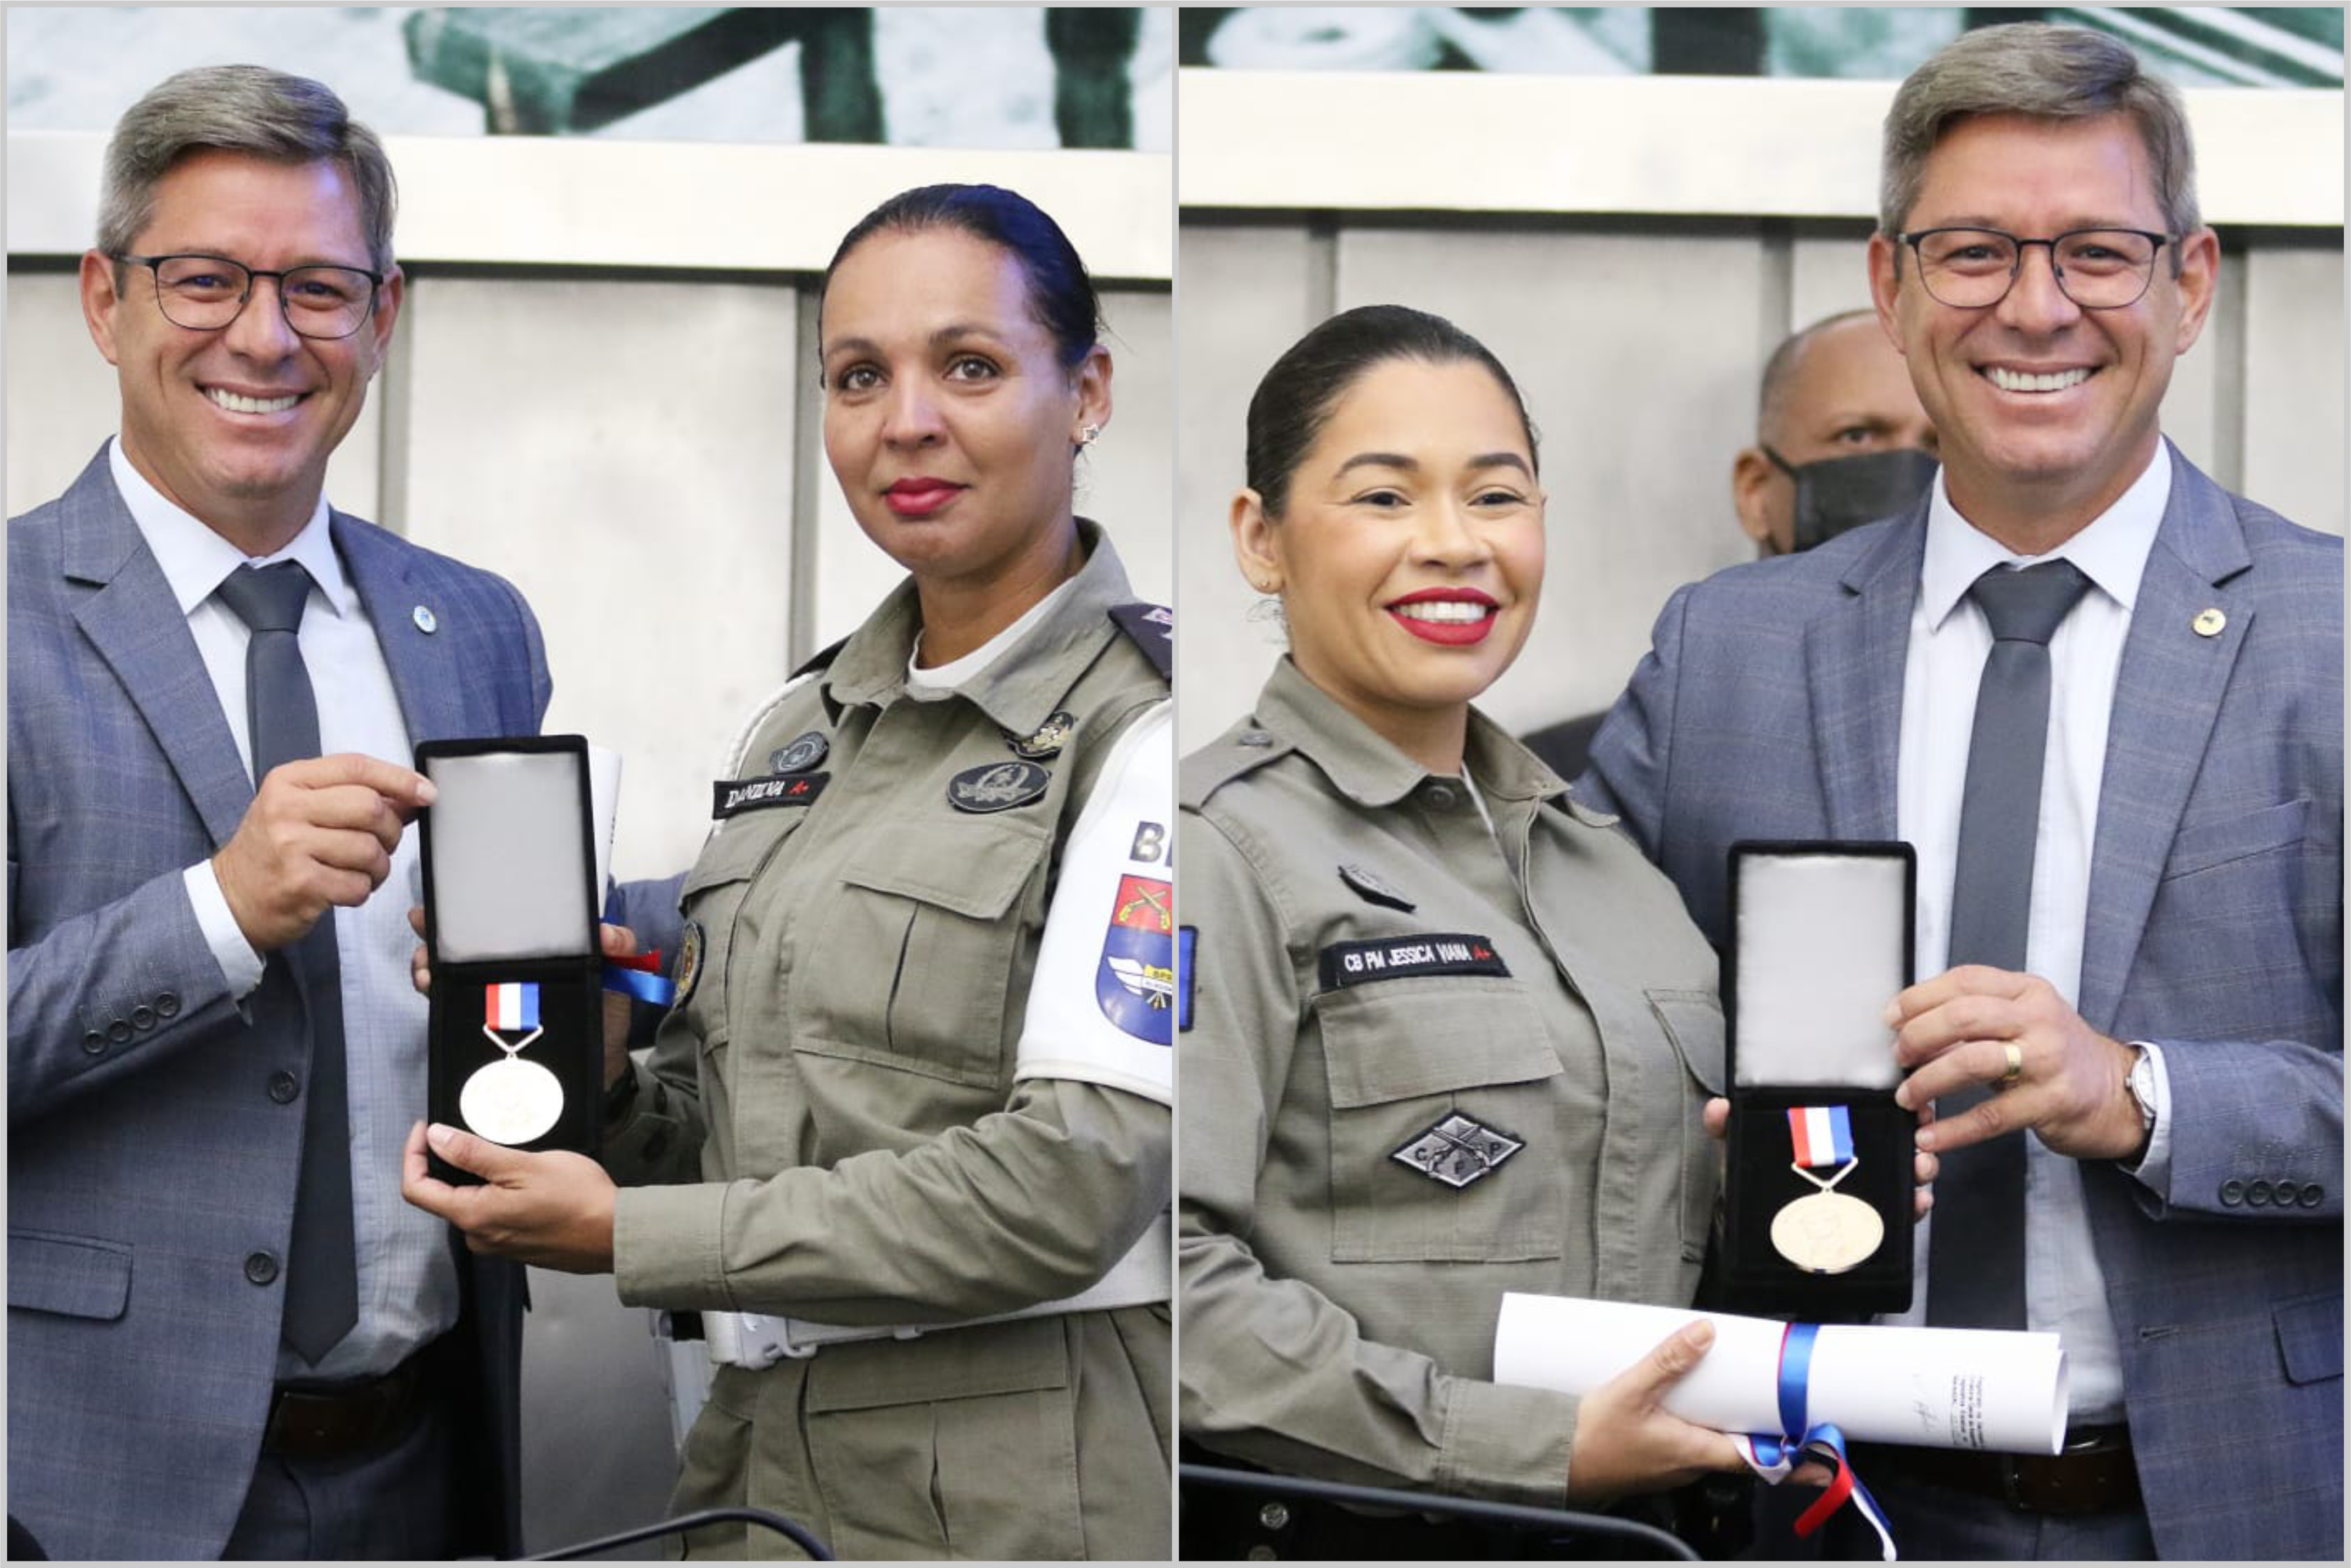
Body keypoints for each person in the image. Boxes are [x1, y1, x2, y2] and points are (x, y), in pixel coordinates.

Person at [1579, 23, 2340, 1561]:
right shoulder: (1728, 648)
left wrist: (2142, 1092)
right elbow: (1574, 1036)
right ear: (1895, 284)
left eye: (2099, 253)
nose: (2037, 306)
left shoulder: (2331, 637)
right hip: (1814, 1501)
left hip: (2218, 1504)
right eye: (1976, 250)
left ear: (2189, 285)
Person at [403, 183, 1174, 1561]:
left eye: (971, 366)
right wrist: (604, 1072)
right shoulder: (803, 730)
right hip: (760, 1462)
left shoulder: (1156, 731)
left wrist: (641, 1234)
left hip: (1018, 1485)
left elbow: (1074, 1184)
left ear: (1088, 389)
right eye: (858, 375)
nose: (907, 422)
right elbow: (731, 1124)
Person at [8, 66, 542, 1559]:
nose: (263, 333)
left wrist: (576, 1006)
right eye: (207, 279)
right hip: (81, 1490)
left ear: (385, 315)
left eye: (318, 286)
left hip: (426, 1463)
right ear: (105, 298)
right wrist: (218, 913)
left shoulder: (476, 624)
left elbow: (503, 983)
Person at [1180, 303, 1786, 1556]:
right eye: (1385, 499)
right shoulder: (1213, 848)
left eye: (1496, 496)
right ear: (1261, 537)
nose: (1454, 546)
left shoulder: (1614, 872)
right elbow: (1151, 1274)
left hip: (1653, 1534)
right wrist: (1515, 1444)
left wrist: (1811, 1196)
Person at [1523, 309, 1936, 779]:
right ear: (1756, 491)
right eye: (1857, 436)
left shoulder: (2003, 755)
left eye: (1939, 444)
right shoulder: (1574, 779)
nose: (1906, 475)